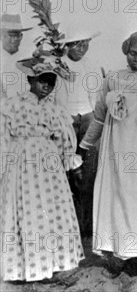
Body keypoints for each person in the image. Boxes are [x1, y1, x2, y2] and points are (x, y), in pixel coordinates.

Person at [79, 32, 137, 277]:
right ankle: (119, 252)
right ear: (125, 51)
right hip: (114, 146)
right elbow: (99, 116)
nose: (136, 59)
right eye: (132, 53)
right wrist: (85, 146)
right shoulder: (113, 78)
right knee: (116, 195)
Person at [1, 53, 84, 283]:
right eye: (42, 80)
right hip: (22, 164)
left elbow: (64, 140)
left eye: (51, 82)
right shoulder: (13, 105)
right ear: (30, 80)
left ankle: (52, 262)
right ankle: (23, 267)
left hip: (48, 167)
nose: (47, 86)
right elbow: (4, 137)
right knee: (26, 207)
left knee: (49, 207)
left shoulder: (55, 110)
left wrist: (65, 160)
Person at [53, 31, 103, 237]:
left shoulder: (91, 66)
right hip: (65, 119)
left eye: (86, 44)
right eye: (77, 44)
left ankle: (86, 225)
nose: (82, 49)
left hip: (88, 117)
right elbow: (53, 97)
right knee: (65, 171)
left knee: (88, 172)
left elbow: (97, 97)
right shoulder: (56, 65)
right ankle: (65, 224)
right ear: (67, 45)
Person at [1, 14, 32, 99]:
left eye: (17, 36)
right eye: (9, 35)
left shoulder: (29, 60)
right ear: (1, 35)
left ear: (21, 37)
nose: (13, 40)